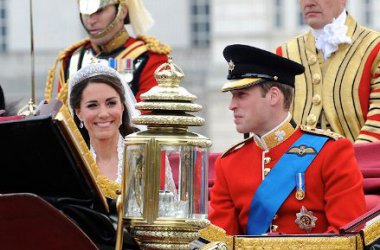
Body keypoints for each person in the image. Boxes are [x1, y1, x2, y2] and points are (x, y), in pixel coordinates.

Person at [208, 44, 366, 236]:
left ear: (273, 96)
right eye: (233, 96)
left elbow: (348, 237)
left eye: (241, 95)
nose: (232, 106)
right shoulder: (229, 163)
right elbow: (220, 242)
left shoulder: (331, 151)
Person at [275, 0, 380, 143]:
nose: (308, 3)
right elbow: (276, 122)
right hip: (300, 163)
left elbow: (377, 123)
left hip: (359, 162)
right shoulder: (285, 54)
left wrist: (351, 162)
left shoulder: (375, 48)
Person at [45, 0, 171, 105]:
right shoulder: (72, 58)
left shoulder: (150, 58)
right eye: (85, 13)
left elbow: (148, 119)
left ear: (122, 12)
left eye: (99, 11)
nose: (90, 21)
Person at [69, 62, 141, 199]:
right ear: (79, 113)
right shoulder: (70, 162)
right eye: (92, 105)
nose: (103, 113)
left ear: (122, 106)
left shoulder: (146, 153)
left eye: (111, 103)